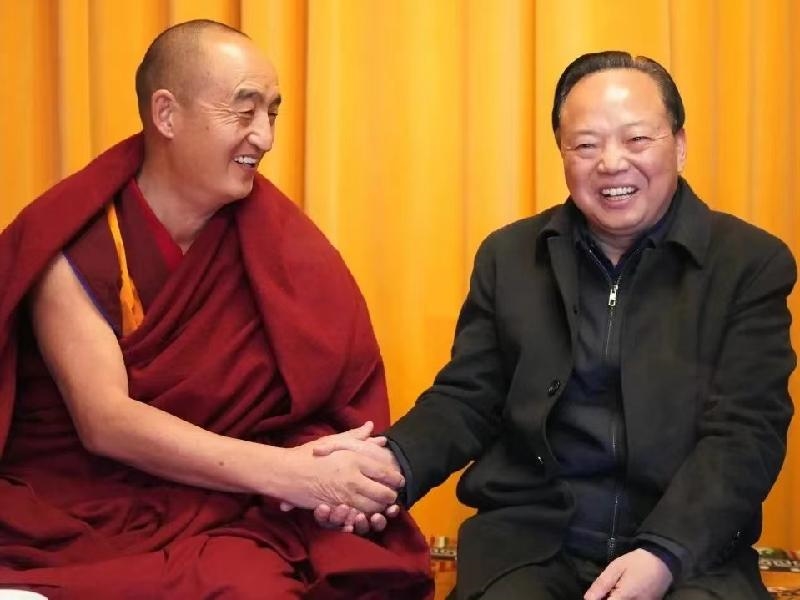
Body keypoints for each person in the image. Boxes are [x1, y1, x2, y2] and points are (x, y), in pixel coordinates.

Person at [312, 51, 797, 599]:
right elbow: (467, 399)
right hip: (533, 543)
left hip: (688, 551)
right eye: (586, 145)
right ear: (562, 154)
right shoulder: (511, 256)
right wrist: (388, 465)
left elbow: (746, 433)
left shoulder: (749, 264)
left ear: (680, 145)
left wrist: (665, 552)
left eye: (637, 139)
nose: (611, 163)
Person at [0, 19, 432, 600]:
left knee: (258, 584)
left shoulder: (278, 241)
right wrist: (297, 476)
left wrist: (339, 471)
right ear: (166, 114)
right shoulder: (74, 241)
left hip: (224, 504)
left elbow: (325, 395)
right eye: (244, 111)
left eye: (272, 114)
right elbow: (106, 422)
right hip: (79, 507)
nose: (265, 137)